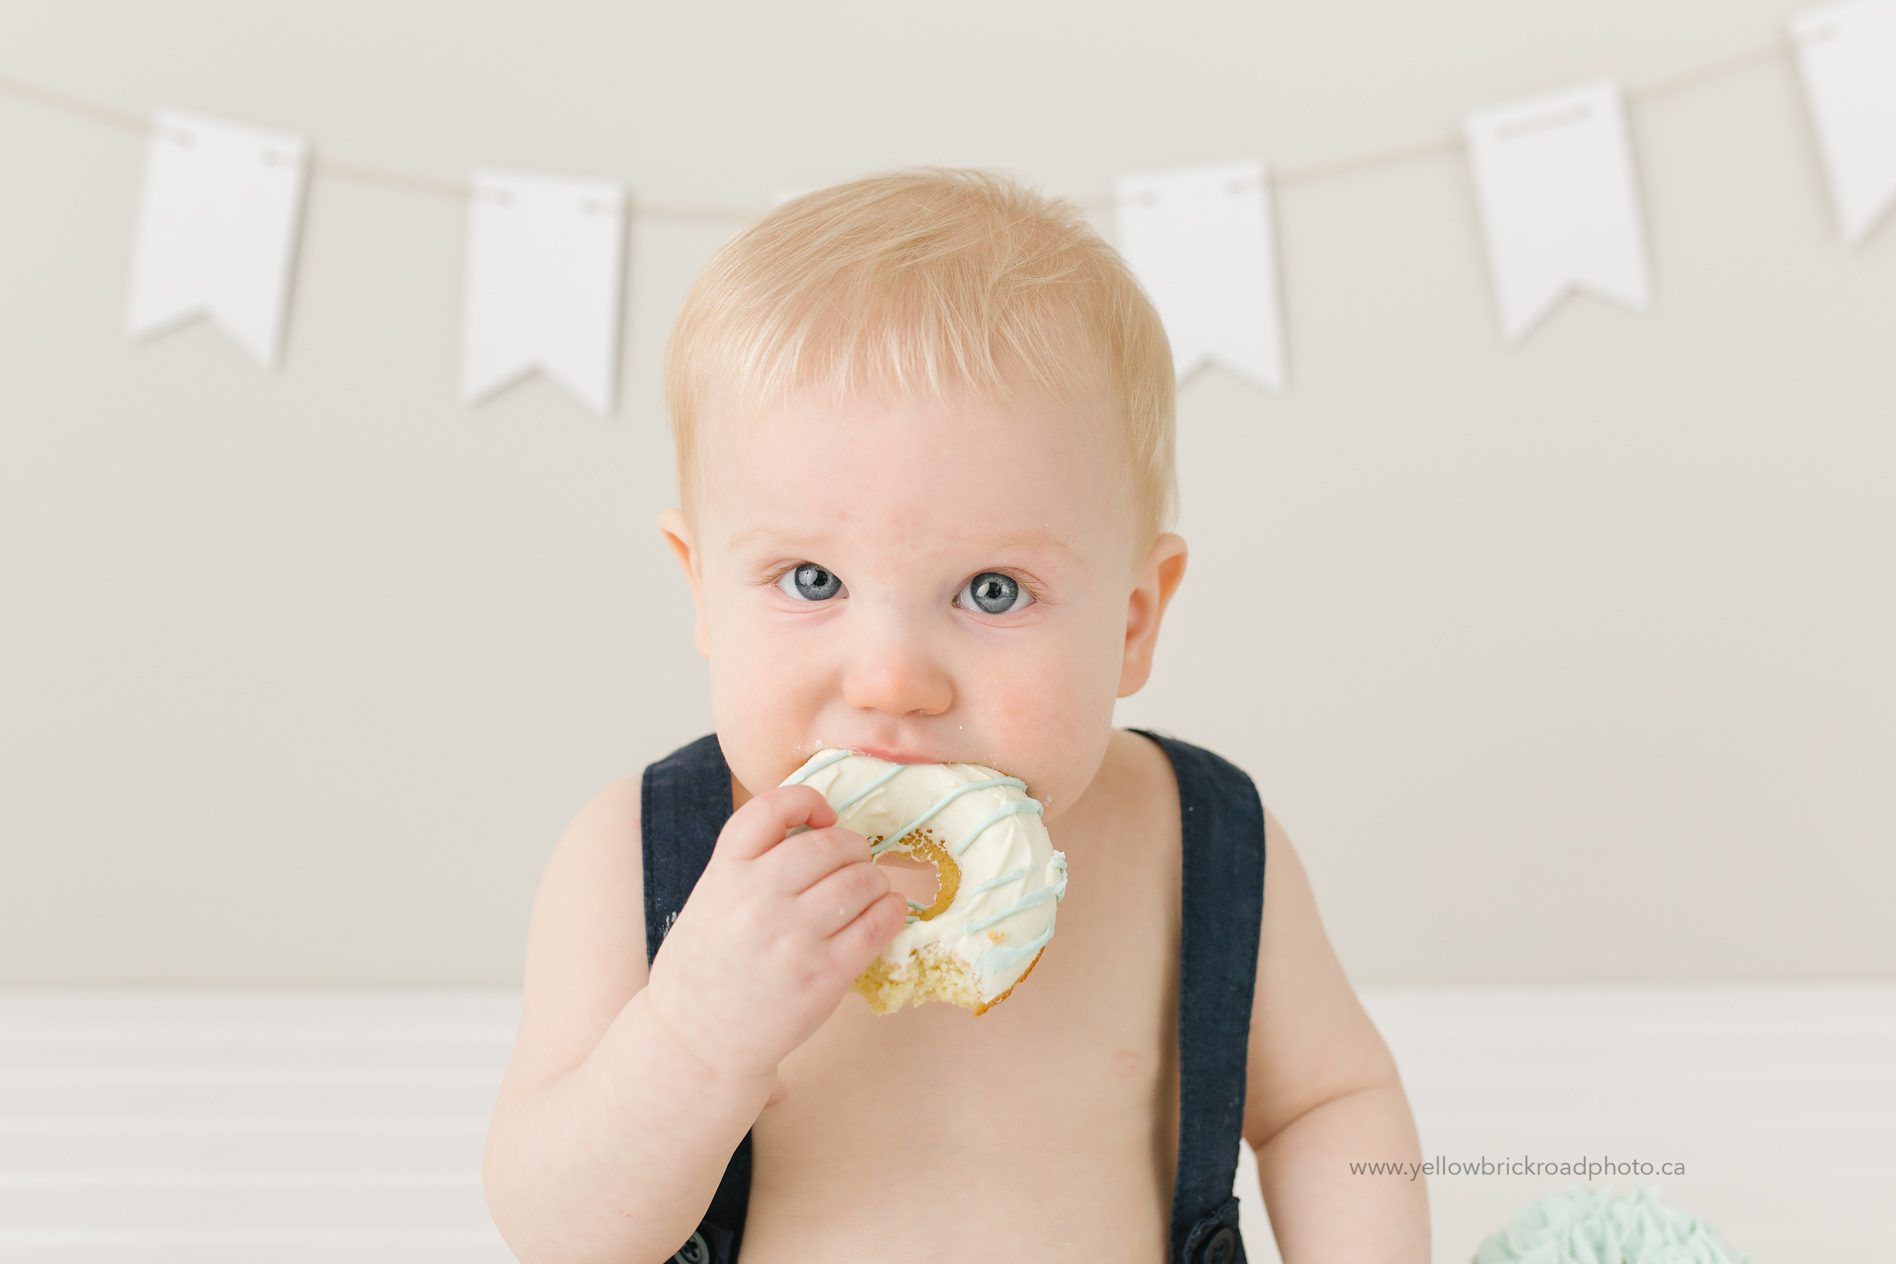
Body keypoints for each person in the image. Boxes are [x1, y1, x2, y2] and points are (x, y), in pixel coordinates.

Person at [481, 166, 1429, 1263]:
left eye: (992, 591)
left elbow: (1331, 1102)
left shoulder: (1198, 842)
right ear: (701, 587)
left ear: (1132, 621)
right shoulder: (639, 861)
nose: (891, 679)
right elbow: (555, 1231)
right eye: (811, 580)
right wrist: (691, 1039)